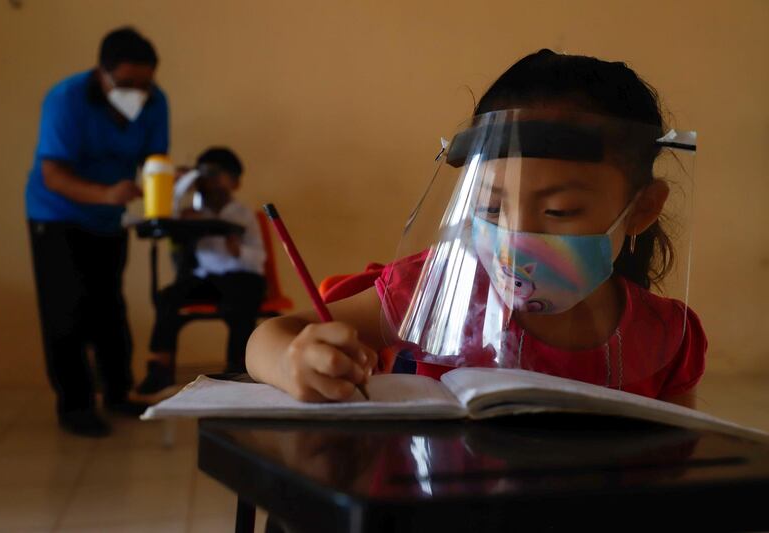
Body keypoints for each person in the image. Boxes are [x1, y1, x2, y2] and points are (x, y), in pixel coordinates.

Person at [245, 49, 706, 408]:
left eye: (560, 211)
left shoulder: (669, 337)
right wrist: (293, 363)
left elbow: (678, 471)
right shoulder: (432, 288)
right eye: (489, 206)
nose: (516, 236)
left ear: (643, 209)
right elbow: (266, 338)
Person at [26, 27, 169, 436]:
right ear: (101, 73)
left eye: (146, 84)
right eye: (126, 84)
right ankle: (75, 404)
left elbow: (155, 159)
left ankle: (119, 392)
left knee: (109, 308)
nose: (138, 93)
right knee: (65, 310)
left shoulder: (155, 102)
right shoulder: (65, 99)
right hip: (54, 216)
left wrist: (166, 190)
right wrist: (106, 193)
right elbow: (51, 173)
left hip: (109, 220)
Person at [133, 147, 266, 401]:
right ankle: (160, 368)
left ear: (234, 182)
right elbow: (165, 216)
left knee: (239, 306)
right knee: (169, 298)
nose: (209, 181)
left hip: (241, 275)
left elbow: (259, 258)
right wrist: (182, 183)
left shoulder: (243, 215)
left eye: (217, 174)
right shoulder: (191, 210)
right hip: (207, 279)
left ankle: (238, 369)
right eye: (204, 175)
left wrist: (238, 251)